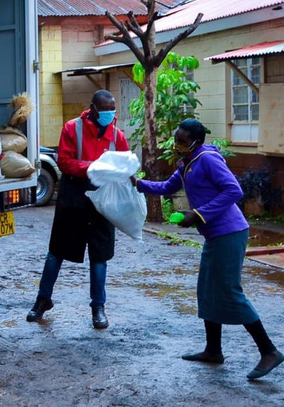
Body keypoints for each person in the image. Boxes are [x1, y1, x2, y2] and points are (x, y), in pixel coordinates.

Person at [134, 118, 283, 381]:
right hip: (216, 235)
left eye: (182, 140)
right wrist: (138, 184)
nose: (177, 144)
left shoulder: (208, 159)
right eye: (176, 138)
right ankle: (213, 350)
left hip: (229, 232)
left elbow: (233, 191)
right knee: (207, 290)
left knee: (229, 291)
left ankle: (269, 351)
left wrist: (199, 214)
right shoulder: (187, 161)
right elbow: (169, 187)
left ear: (196, 141)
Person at [26, 89, 129, 329]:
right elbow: (65, 162)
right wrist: (92, 167)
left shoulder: (117, 135)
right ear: (92, 108)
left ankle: (98, 307)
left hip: (103, 200)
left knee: (99, 256)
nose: (109, 113)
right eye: (104, 109)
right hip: (74, 197)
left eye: (112, 109)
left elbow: (125, 163)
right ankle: (43, 300)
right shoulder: (72, 128)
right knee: (56, 253)